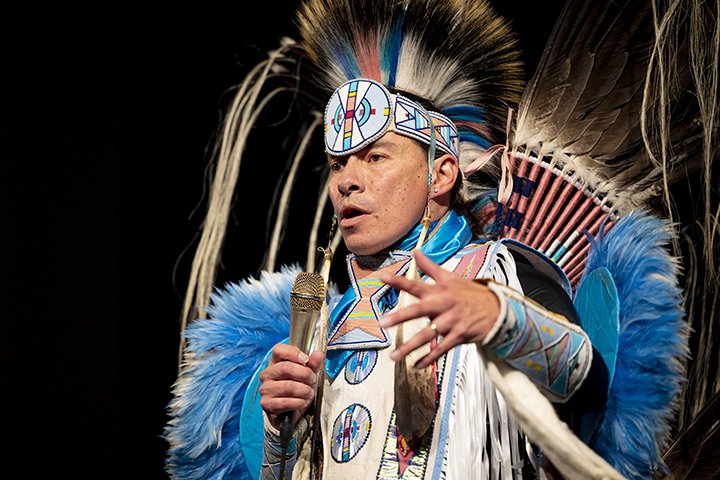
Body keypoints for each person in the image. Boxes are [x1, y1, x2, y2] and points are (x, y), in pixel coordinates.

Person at [164, 0, 718, 479]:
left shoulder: (504, 273)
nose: (346, 181)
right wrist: (285, 429)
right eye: (337, 165)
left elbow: (591, 384)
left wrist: (500, 317)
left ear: (443, 173)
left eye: (374, 156)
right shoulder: (321, 330)